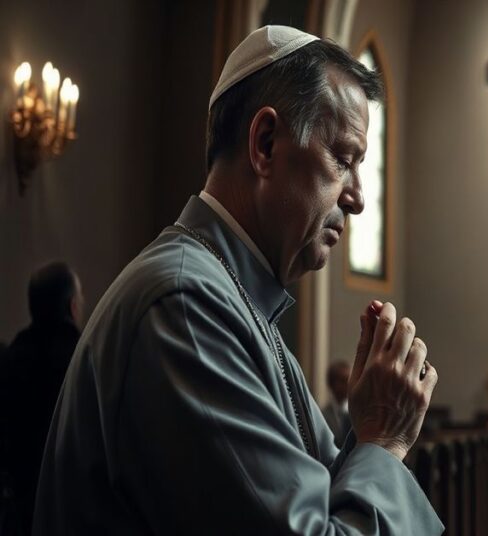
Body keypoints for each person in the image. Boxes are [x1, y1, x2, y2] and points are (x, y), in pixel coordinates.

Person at [33, 26, 441, 535]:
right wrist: (383, 441)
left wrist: (367, 431)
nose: (357, 197)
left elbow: (324, 499)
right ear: (265, 144)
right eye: (344, 158)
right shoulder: (184, 306)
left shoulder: (235, 296)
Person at [0, 262, 82, 534]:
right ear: (73, 306)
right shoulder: (83, 361)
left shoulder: (11, 359)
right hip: (74, 512)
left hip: (19, 513)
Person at [322, 360, 352, 449]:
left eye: (350, 380)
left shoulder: (358, 413)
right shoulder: (322, 415)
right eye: (343, 380)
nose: (348, 384)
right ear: (332, 384)